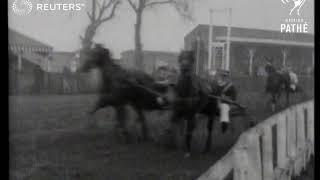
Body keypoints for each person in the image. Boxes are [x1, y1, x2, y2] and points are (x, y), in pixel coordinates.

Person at [214, 69, 237, 133]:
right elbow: (215, 93)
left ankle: (224, 125)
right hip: (217, 101)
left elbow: (234, 96)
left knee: (224, 108)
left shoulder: (231, 86)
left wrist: (226, 98)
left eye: (225, 76)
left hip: (226, 103)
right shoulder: (218, 84)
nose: (224, 77)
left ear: (227, 77)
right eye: (222, 76)